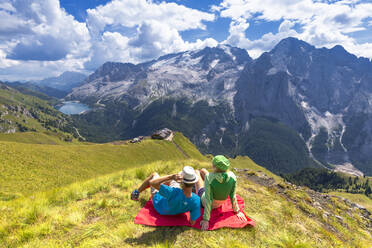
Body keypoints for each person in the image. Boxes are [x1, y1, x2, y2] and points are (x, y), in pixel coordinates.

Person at [131, 166, 201, 226]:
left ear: (182, 182)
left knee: (154, 175)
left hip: (159, 206)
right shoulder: (197, 200)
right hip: (175, 211)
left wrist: (171, 177)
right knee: (172, 183)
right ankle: (164, 184)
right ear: (193, 182)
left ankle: (136, 193)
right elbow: (192, 222)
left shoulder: (172, 192)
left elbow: (152, 183)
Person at [195, 155, 247, 231]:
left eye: (213, 165)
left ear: (216, 167)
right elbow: (233, 196)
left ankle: (197, 175)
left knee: (196, 172)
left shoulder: (209, 177)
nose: (212, 166)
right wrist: (237, 211)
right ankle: (202, 175)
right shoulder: (232, 176)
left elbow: (208, 199)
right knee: (203, 170)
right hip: (220, 203)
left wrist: (206, 219)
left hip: (205, 202)